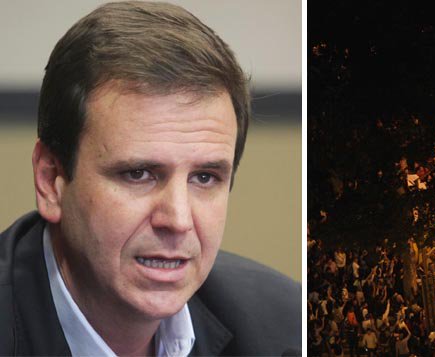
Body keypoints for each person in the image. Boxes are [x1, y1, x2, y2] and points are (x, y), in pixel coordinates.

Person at [0, 2, 300, 355]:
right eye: (138, 174)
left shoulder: (287, 328)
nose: (178, 220)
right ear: (51, 181)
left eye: (204, 177)